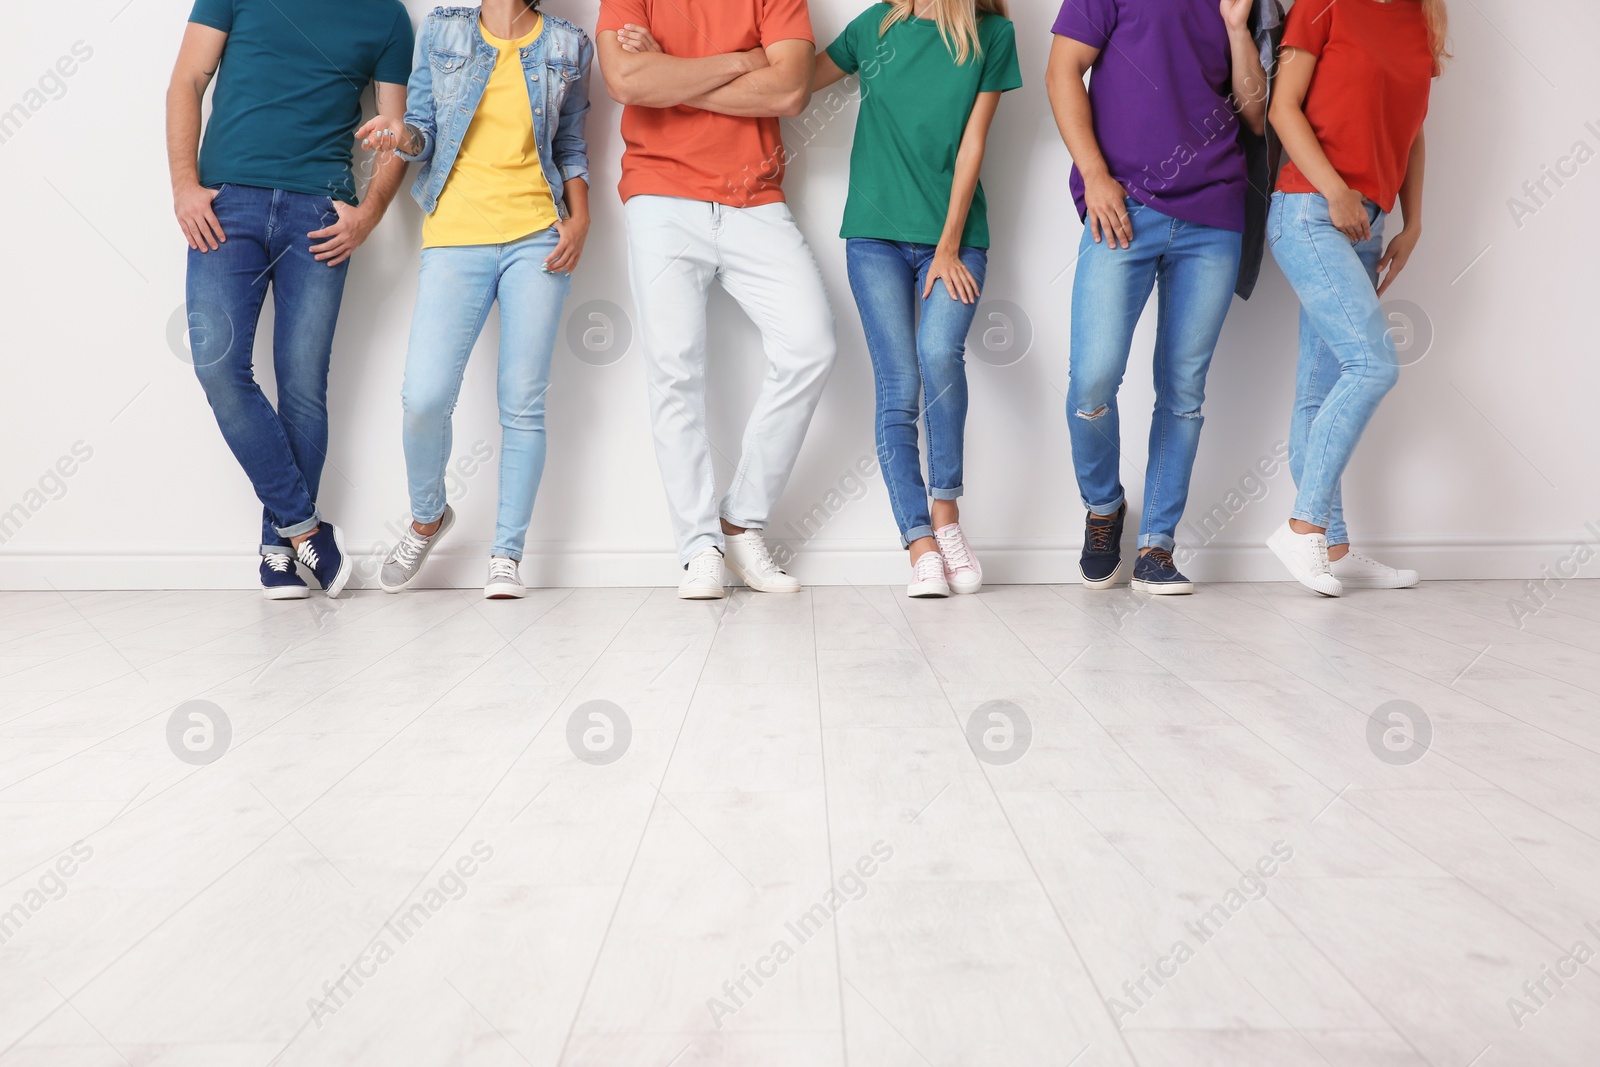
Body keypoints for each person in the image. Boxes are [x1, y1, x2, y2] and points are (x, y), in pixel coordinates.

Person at [167, 0, 414, 600]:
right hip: (227, 205)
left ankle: (278, 552)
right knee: (218, 365)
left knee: (302, 383)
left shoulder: (386, 17)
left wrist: (370, 215)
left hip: (320, 214)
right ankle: (305, 528)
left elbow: (395, 134)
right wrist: (183, 186)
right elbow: (187, 80)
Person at [601, 0, 838, 600]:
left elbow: (788, 92)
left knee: (811, 346)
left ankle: (740, 520)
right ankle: (699, 547)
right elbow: (626, 80)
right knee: (674, 371)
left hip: (754, 198)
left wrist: (671, 75)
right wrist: (742, 61)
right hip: (660, 194)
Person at [356, 0, 593, 600]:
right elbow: (423, 130)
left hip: (537, 238)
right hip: (455, 236)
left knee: (522, 404)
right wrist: (400, 134)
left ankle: (507, 555)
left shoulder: (567, 45)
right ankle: (428, 516)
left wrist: (581, 219)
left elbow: (570, 145)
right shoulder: (443, 30)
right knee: (424, 397)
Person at [1047, 0, 1268, 594]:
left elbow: (1254, 114)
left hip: (1214, 214)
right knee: (1092, 380)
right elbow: (1062, 69)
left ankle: (1157, 547)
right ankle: (1104, 507)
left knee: (1183, 390)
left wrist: (1236, 27)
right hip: (1121, 206)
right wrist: (1094, 175)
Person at [813, 0, 1021, 598]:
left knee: (939, 355)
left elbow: (973, 146)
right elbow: (792, 87)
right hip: (874, 237)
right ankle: (919, 543)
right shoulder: (875, 25)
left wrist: (950, 246)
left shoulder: (993, 36)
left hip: (954, 240)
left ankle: (946, 515)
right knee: (899, 385)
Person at [1264, 0, 1446, 596]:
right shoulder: (1324, 5)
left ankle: (1331, 546)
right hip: (1311, 208)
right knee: (1374, 364)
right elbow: (1281, 108)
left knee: (1320, 389)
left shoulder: (1422, 20)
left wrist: (1413, 222)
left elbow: (1412, 129)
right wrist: (1336, 190)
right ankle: (1303, 526)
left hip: (1370, 222)